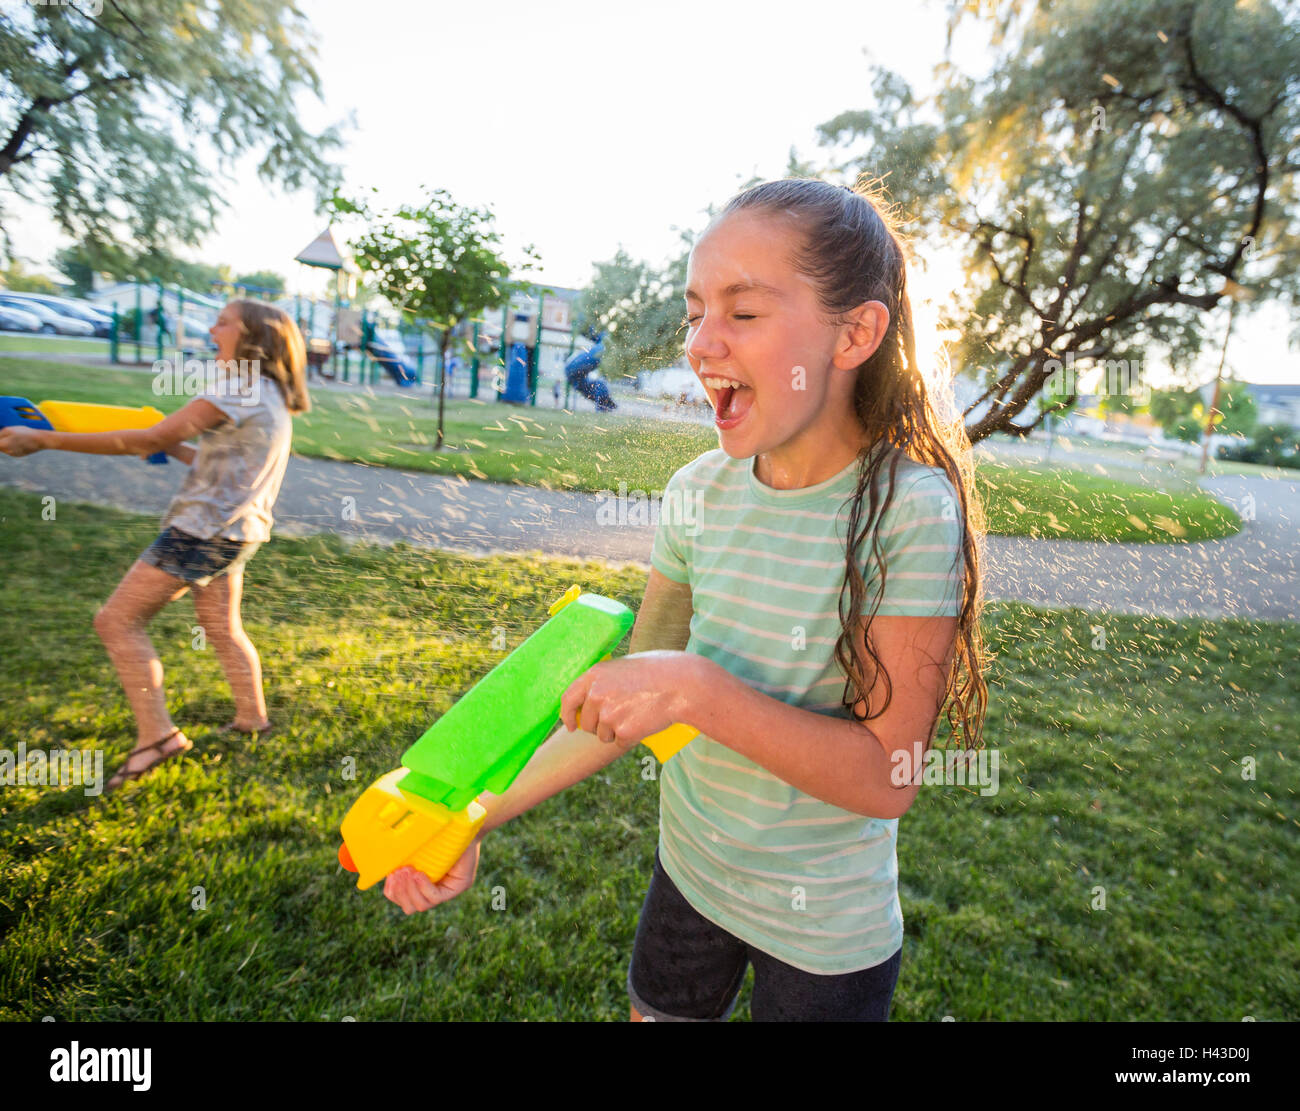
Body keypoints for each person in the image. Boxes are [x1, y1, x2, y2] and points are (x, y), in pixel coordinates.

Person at [380, 178, 988, 1022]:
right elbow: (625, 698)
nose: (702, 343)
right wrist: (473, 820)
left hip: (826, 933)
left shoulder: (909, 512)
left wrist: (697, 691)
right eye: (696, 310)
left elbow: (888, 775)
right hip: (690, 876)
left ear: (857, 332)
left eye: (742, 312)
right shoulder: (698, 490)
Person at [0, 300, 310, 793]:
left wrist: (47, 440)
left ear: (253, 337)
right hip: (239, 531)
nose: (213, 328)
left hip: (200, 531)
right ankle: (253, 718)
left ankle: (158, 737)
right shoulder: (267, 391)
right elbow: (218, 462)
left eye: (223, 321)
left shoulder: (240, 386)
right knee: (221, 628)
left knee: (117, 621)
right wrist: (170, 447)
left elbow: (150, 435)